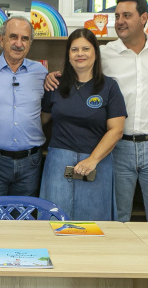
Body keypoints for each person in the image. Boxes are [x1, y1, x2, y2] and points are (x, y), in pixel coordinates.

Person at [99, 0, 148, 222]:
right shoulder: (105, 54)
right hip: (118, 146)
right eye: (116, 16)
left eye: (127, 15)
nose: (120, 21)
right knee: (118, 217)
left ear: (144, 18)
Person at [39, 29, 125, 220]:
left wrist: (92, 160)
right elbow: (42, 119)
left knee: (93, 223)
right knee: (54, 221)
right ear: (68, 55)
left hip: (96, 162)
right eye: (74, 49)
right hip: (58, 162)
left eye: (86, 48)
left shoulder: (109, 87)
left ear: (95, 52)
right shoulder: (55, 85)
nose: (80, 54)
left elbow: (116, 130)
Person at [0, 16, 47, 198]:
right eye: (13, 36)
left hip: (31, 162)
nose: (18, 43)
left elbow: (52, 109)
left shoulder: (42, 73)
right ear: (2, 39)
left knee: (24, 220)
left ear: (30, 43)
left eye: (25, 38)